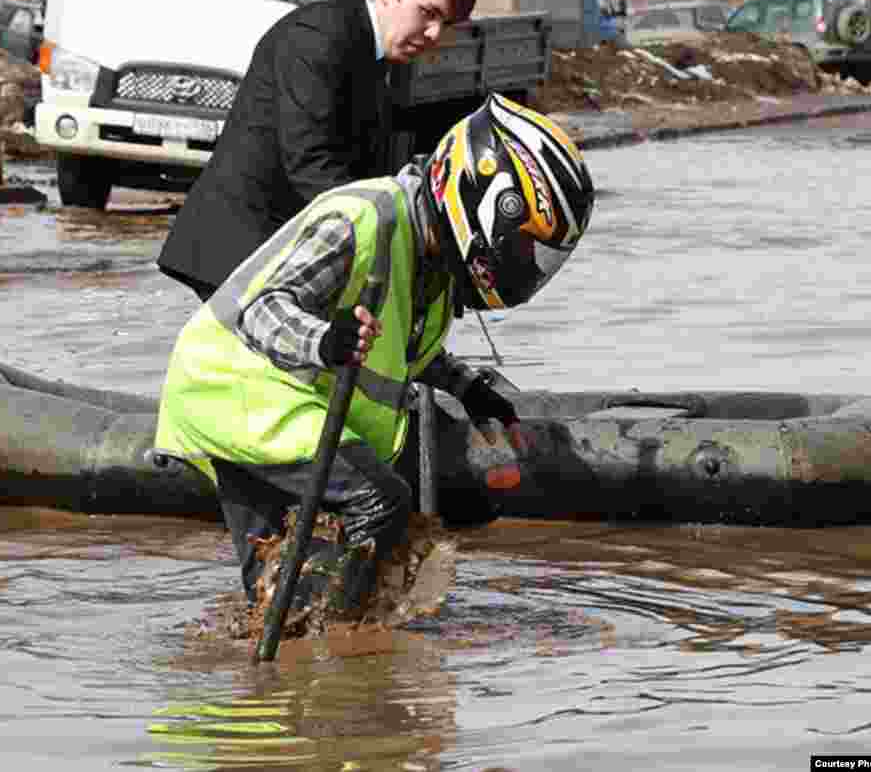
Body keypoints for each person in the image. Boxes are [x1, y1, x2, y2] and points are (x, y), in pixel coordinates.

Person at [153, 93, 595, 614]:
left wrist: (468, 388)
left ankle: (318, 649)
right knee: (380, 502)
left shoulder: (436, 265)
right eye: (522, 249)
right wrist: (325, 340)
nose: (524, 268)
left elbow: (404, 350)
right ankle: (341, 639)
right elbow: (263, 310)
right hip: (237, 392)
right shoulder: (363, 220)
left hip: (279, 405)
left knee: (282, 589)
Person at [157, 0, 478, 302]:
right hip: (239, 248)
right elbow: (310, 162)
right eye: (428, 13)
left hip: (284, 248)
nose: (435, 34)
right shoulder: (318, 38)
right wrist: (388, 230)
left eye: (446, 23)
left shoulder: (382, 51)